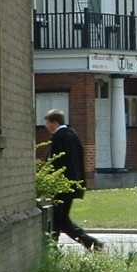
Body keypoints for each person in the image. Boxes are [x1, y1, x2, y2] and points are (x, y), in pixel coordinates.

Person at [43, 108, 104, 252]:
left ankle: (92, 244)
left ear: (55, 122)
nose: (46, 126)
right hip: (70, 185)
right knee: (60, 220)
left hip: (63, 186)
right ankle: (53, 248)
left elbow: (58, 163)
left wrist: (53, 180)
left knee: (60, 219)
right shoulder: (71, 135)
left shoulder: (61, 137)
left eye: (47, 123)